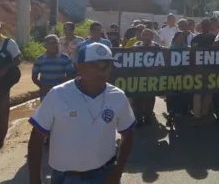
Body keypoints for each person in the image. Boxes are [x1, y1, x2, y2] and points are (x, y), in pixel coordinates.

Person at [27, 43, 136, 184]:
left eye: (106, 66)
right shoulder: (58, 94)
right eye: (93, 66)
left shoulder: (118, 96)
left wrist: (117, 172)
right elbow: (36, 138)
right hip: (65, 178)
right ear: (79, 66)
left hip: (104, 175)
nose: (101, 72)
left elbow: (128, 133)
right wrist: (34, 179)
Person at [32, 35, 75, 100]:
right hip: (45, 93)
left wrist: (59, 86)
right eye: (52, 43)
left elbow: (71, 75)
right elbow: (34, 77)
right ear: (45, 45)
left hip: (61, 92)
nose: (55, 45)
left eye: (56, 43)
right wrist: (44, 87)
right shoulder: (39, 60)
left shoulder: (65, 58)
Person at [0, 22, 21, 149]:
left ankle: (1, 138)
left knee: (2, 108)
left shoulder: (8, 43)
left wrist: (7, 68)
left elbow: (18, 59)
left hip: (4, 81)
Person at [191, 19, 216, 125]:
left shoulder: (214, 38)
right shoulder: (197, 38)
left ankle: (201, 115)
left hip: (207, 69)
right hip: (202, 70)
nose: (206, 27)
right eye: (205, 25)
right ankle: (199, 115)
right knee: (202, 92)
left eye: (207, 25)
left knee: (205, 93)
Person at [132, 29, 159, 126]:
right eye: (143, 34)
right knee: (138, 99)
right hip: (138, 77)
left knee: (150, 98)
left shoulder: (156, 46)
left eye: (147, 35)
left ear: (152, 36)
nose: (145, 37)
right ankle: (138, 118)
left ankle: (148, 117)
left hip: (151, 77)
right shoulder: (136, 46)